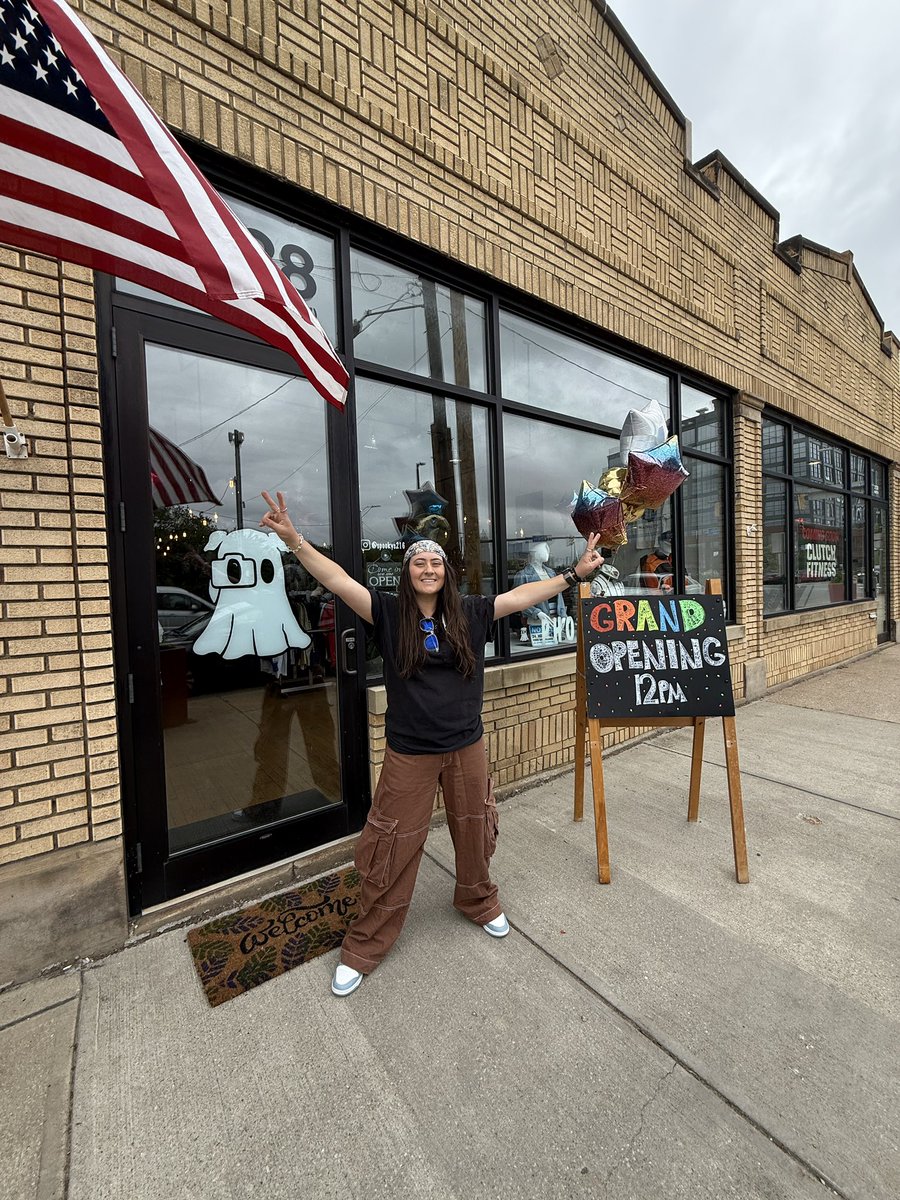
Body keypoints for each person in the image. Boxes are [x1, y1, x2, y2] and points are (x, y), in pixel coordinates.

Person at [260, 489, 604, 997]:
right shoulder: (388, 612)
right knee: (391, 841)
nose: (427, 568)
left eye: (434, 562)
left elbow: (521, 598)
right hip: (410, 752)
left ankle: (477, 899)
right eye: (418, 561)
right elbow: (336, 579)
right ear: (408, 571)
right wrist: (295, 542)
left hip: (467, 745)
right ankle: (366, 943)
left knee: (475, 828)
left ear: (446, 571)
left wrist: (573, 575)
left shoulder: (470, 611)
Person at [514, 540, 566, 644]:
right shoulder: (523, 575)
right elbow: (518, 600)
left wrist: (563, 615)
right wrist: (536, 613)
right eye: (545, 549)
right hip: (537, 623)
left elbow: (559, 594)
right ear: (535, 553)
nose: (548, 551)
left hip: (556, 622)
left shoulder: (551, 572)